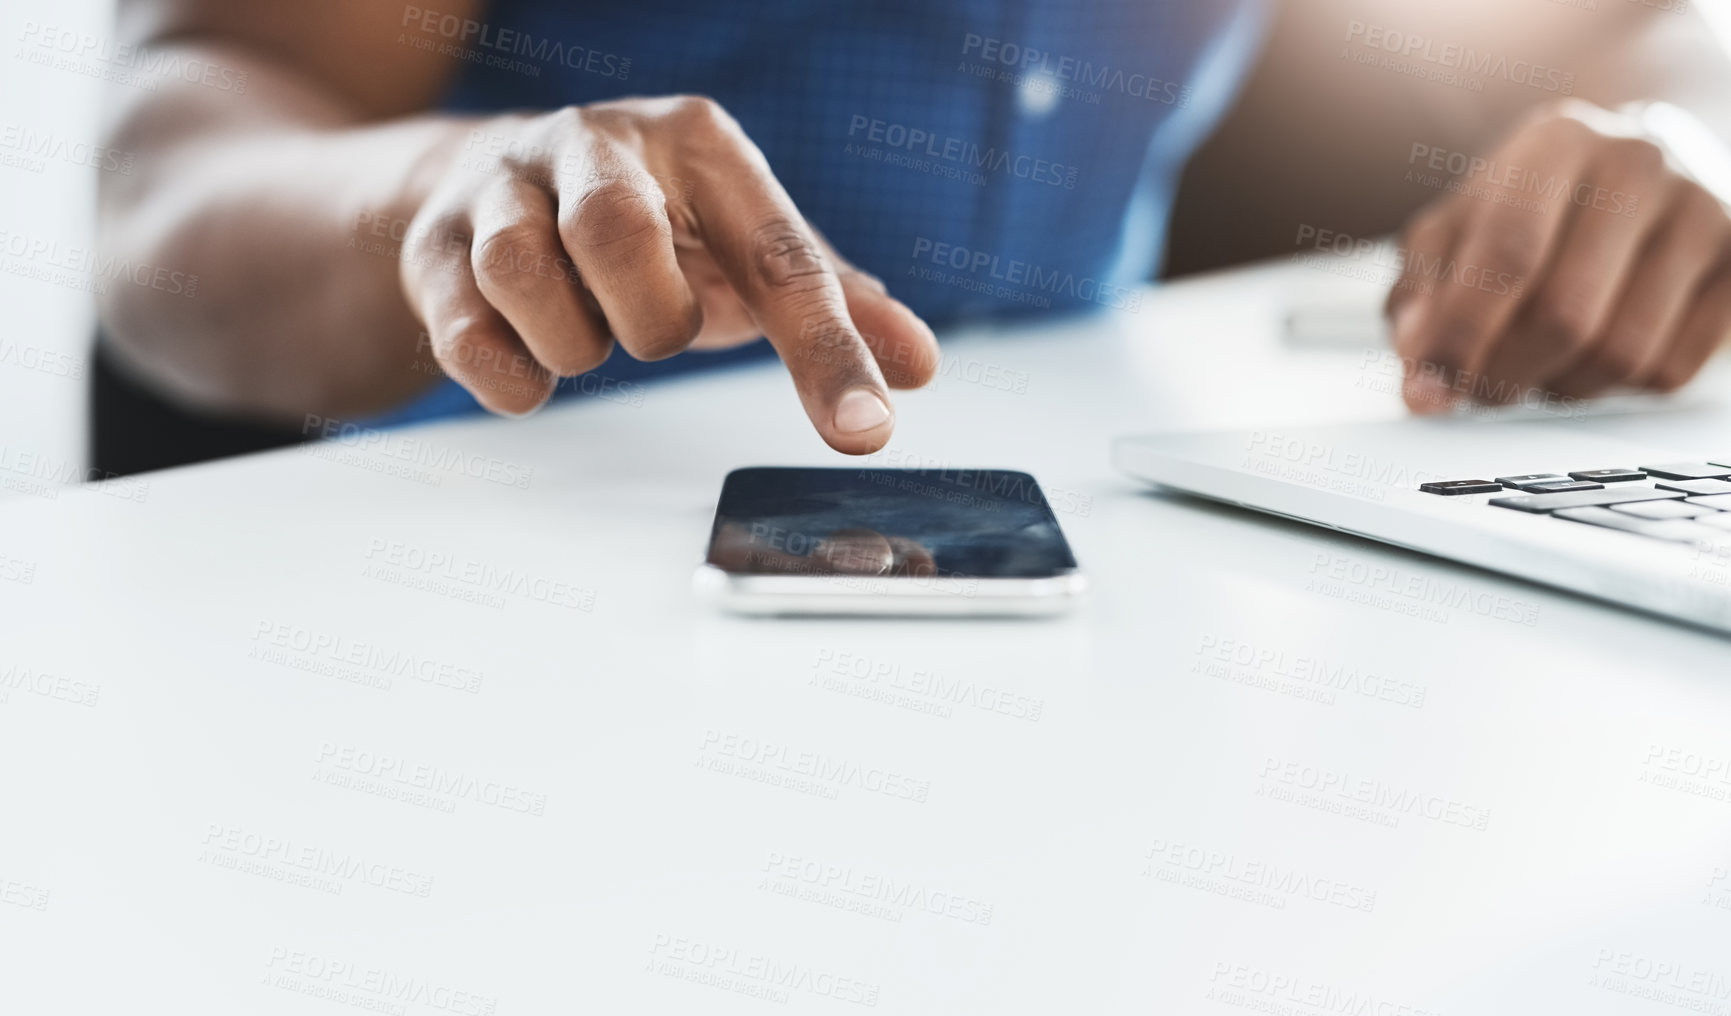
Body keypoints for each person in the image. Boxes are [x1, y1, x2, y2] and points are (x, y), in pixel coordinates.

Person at [98, 0, 1731, 458]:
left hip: (1080, 622)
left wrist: (1682, 139)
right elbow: (163, 188)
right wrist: (438, 197)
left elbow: (1634, 30)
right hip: (459, 615)